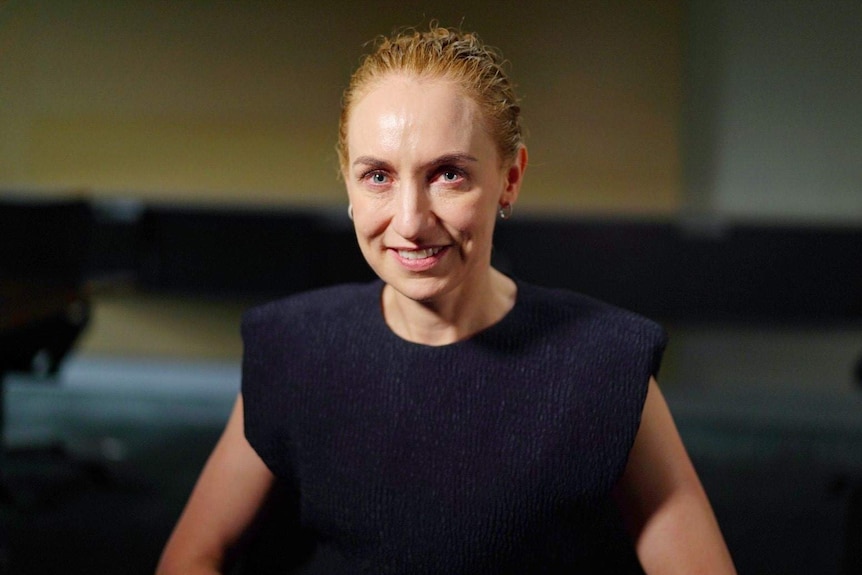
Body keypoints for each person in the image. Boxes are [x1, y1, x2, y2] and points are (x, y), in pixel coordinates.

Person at [156, 25, 736, 574]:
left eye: (449, 175)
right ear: (348, 184)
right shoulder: (293, 346)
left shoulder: (606, 362)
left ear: (510, 178)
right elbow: (189, 557)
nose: (409, 222)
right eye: (377, 176)